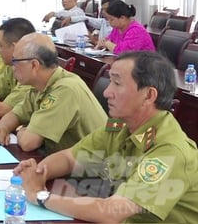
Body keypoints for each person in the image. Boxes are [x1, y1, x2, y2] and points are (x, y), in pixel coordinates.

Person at [15, 51, 198, 223]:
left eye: (117, 83)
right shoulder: (120, 127)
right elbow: (70, 158)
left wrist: (40, 196)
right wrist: (38, 172)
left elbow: (113, 212)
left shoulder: (170, 151)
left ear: (149, 95)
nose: (106, 92)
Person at [0, 33, 107, 154]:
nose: (12, 67)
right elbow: (14, 114)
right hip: (65, 162)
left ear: (34, 65)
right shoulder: (39, 85)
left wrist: (19, 130)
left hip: (92, 169)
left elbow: (28, 143)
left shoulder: (65, 89)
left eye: (15, 61)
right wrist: (3, 128)